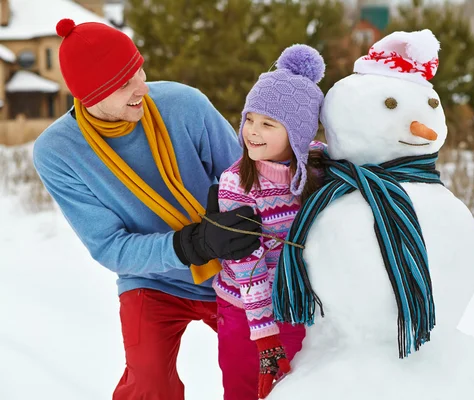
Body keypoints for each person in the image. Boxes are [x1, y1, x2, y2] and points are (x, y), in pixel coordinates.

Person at [33, 19, 262, 400]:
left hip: (231, 270)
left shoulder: (184, 105)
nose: (142, 87)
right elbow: (110, 247)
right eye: (124, 83)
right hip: (153, 280)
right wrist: (189, 246)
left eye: (138, 69)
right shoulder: (58, 153)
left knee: (265, 366)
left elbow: (250, 182)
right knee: (149, 383)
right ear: (91, 95)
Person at [211, 44, 326, 399]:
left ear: (298, 135)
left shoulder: (317, 169)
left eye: (267, 124)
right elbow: (247, 263)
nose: (252, 132)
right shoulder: (238, 183)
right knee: (245, 390)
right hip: (245, 313)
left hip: (295, 309)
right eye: (249, 119)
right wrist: (264, 335)